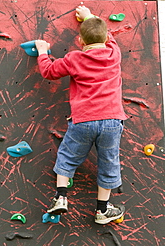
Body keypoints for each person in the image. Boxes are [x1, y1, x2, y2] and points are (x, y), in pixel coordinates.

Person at [35, 6, 128, 224]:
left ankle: (60, 197)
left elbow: (49, 72)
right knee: (108, 162)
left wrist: (42, 52)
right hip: (112, 120)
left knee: (68, 156)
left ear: (80, 42)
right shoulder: (114, 53)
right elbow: (108, 36)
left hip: (84, 120)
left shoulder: (74, 58)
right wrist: (89, 17)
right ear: (106, 38)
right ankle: (103, 210)